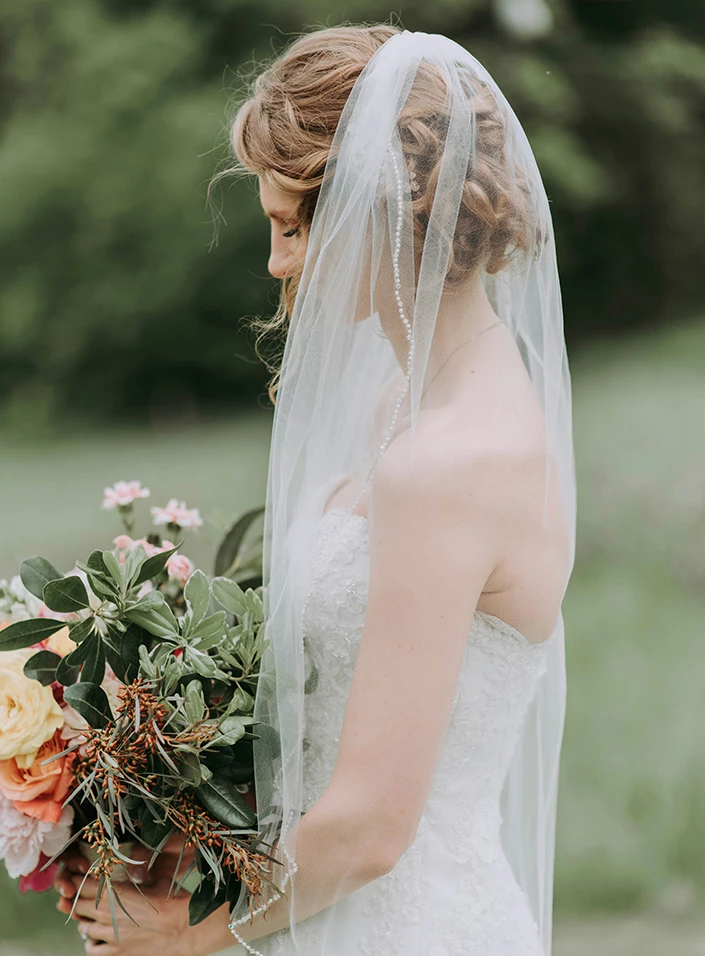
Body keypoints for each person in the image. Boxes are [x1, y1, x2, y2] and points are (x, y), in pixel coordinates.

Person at [55, 24, 576, 956]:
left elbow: (374, 825)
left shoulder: (447, 463)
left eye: (293, 227)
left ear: (383, 213)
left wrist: (192, 932)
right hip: (316, 905)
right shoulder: (403, 404)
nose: (277, 263)